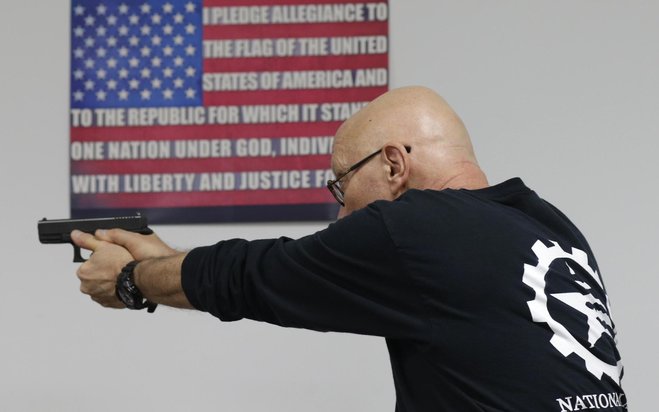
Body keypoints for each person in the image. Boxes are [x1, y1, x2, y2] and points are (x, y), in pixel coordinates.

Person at [72, 86, 627, 411]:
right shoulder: (548, 227)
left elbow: (255, 276)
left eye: (342, 185)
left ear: (393, 164)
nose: (341, 212)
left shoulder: (414, 228)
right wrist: (166, 264)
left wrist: (132, 279)